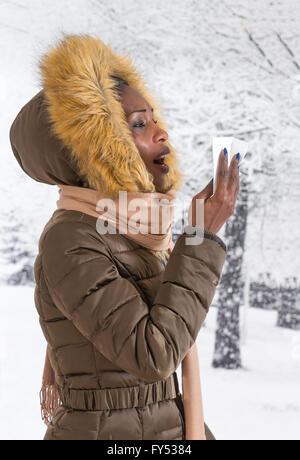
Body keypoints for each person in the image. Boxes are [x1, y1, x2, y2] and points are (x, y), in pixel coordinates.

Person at [9, 33, 239, 440]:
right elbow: (152, 354)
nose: (161, 132)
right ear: (97, 146)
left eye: (154, 118)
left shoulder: (140, 231)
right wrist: (201, 238)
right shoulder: (69, 240)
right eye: (138, 124)